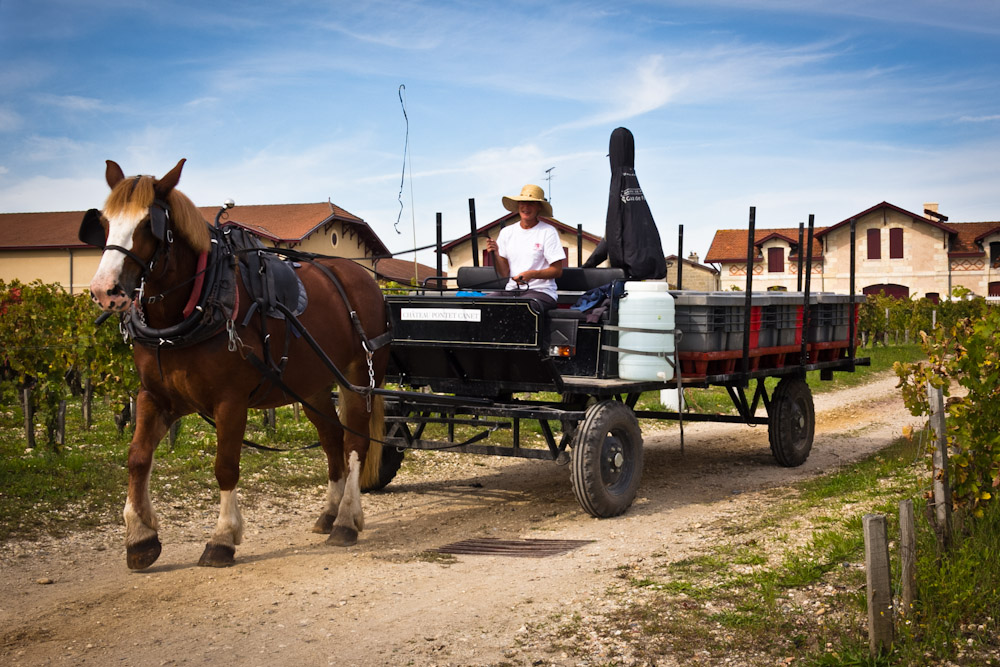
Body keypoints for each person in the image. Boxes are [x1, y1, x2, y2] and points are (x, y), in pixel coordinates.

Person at [581, 127, 666, 280]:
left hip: (630, 274)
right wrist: (590, 264)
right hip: (652, 270)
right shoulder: (633, 183)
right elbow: (611, 237)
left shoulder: (617, 184)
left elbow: (613, 234)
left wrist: (587, 267)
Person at [484, 184, 564, 309]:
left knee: (523, 306)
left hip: (542, 292)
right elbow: (504, 272)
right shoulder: (506, 232)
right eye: (523, 202)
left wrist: (531, 274)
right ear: (518, 205)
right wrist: (495, 253)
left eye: (531, 203)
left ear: (539, 207)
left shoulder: (548, 231)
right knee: (484, 303)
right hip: (512, 291)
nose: (526, 207)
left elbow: (557, 271)